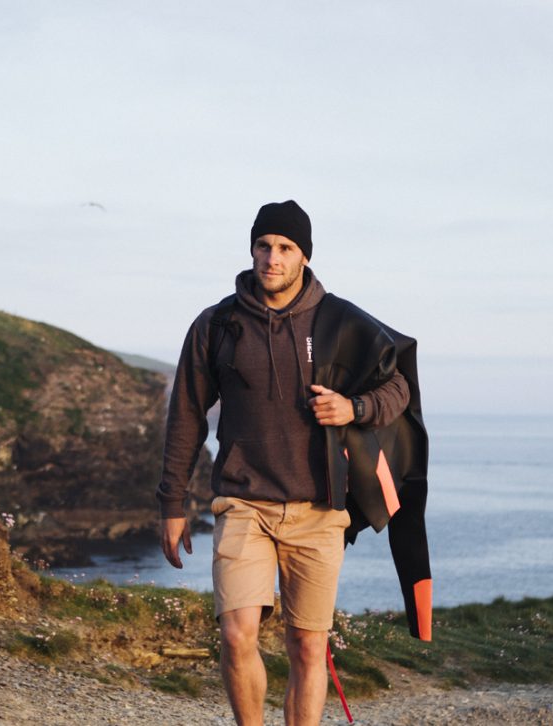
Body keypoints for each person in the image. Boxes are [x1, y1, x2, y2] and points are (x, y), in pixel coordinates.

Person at [158, 200, 422, 725]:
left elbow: (400, 386)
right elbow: (186, 413)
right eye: (263, 246)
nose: (271, 258)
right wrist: (171, 503)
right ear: (252, 249)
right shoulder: (218, 324)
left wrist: (355, 407)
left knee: (306, 646)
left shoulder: (340, 321)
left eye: (285, 248)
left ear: (305, 256)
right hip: (242, 502)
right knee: (236, 636)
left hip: (318, 509)